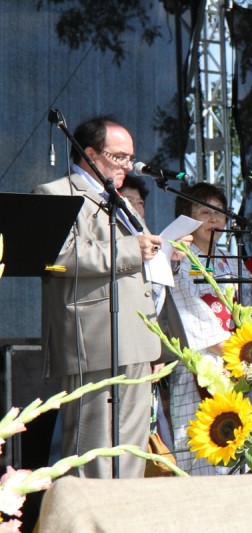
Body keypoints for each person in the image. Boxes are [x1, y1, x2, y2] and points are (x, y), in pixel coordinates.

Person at [33, 116, 168, 478]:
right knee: (92, 447)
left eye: (131, 157)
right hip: (91, 337)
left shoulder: (119, 200)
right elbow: (58, 256)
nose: (129, 165)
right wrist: (131, 249)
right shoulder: (55, 193)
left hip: (136, 337)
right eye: (119, 157)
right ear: (90, 153)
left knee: (132, 449)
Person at [169, 183, 238, 475]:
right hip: (200, 362)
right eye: (204, 212)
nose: (213, 220)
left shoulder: (227, 259)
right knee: (200, 441)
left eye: (218, 213)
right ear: (187, 218)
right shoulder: (178, 259)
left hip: (233, 360)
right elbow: (188, 312)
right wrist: (231, 349)